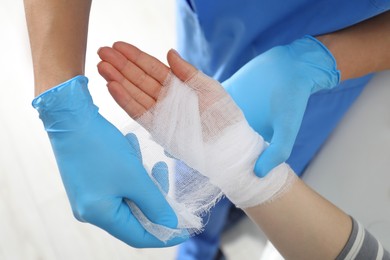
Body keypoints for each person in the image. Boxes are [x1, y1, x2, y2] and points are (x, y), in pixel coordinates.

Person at [23, 0, 390, 258]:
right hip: (218, 21)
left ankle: (216, 221)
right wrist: (60, 101)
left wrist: (320, 60)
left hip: (336, 50)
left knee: (259, 154)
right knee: (191, 138)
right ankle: (200, 239)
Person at [95, 41, 390, 259]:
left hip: (336, 56)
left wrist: (325, 59)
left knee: (219, 145)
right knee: (189, 141)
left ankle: (212, 234)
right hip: (220, 27)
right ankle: (200, 247)